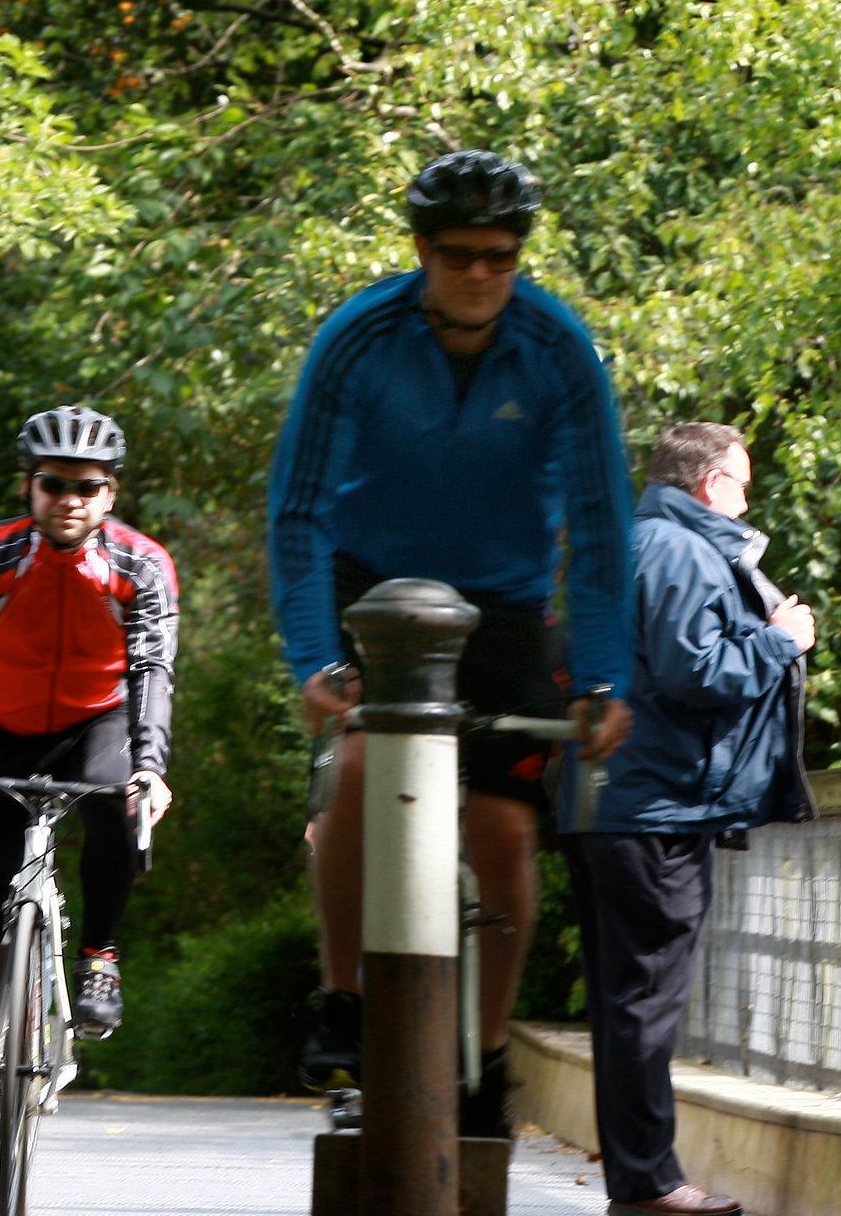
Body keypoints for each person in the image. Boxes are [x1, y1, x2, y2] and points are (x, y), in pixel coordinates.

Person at [268, 150, 636, 1136]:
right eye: (460, 255)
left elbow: (602, 524)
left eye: (502, 256)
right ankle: (343, 999)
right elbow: (296, 512)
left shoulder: (559, 348)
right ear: (421, 252)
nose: (481, 274)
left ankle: (485, 1057)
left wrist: (604, 676)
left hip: (506, 608)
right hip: (374, 594)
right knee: (353, 773)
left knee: (508, 830)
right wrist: (315, 660)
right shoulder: (358, 338)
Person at [0, 405, 180, 1191]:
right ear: (30, 486)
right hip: (1, 731)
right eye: (54, 484)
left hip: (98, 723)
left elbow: (152, 671)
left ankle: (100, 957)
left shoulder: (140, 564)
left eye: (88, 487)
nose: (70, 500)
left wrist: (151, 768)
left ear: (110, 493)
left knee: (120, 800)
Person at [559, 420, 815, 1216]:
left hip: (608, 800)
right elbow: (694, 669)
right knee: (646, 997)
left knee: (621, 997)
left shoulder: (629, 544)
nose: (748, 499)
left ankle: (640, 1172)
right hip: (656, 803)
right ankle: (649, 1180)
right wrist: (781, 642)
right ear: (711, 485)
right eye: (743, 482)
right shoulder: (682, 552)